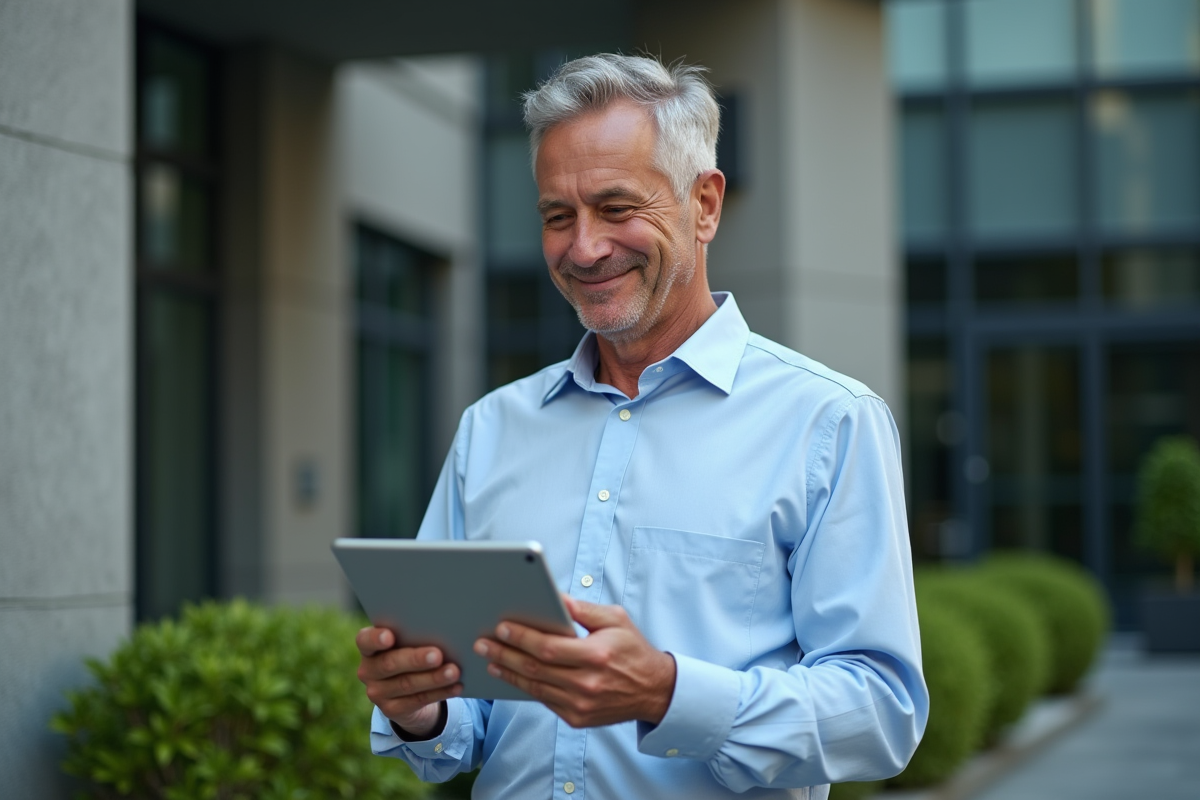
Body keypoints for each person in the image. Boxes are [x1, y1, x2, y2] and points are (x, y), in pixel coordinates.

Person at [356, 53, 927, 800]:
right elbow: (467, 727)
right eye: (558, 216)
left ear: (705, 205)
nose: (584, 248)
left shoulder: (827, 423)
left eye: (617, 207)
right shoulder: (491, 429)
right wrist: (421, 708)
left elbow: (881, 715)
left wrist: (667, 693)